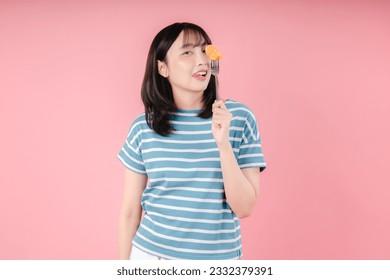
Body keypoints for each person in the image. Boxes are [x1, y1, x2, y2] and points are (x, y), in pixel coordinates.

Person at [117, 22, 267, 260]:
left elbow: (244, 208)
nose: (201, 60)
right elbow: (129, 213)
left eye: (204, 50)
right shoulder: (143, 127)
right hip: (151, 257)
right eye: (187, 52)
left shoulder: (238, 119)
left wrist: (224, 144)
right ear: (162, 68)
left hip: (219, 261)